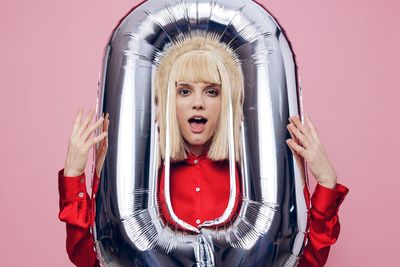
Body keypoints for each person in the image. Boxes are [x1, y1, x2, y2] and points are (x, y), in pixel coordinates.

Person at [59, 38, 348, 267]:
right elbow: (91, 259)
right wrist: (74, 177)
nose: (198, 103)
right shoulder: (141, 188)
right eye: (184, 91)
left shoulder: (254, 186)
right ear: (167, 101)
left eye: (212, 91)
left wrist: (326, 182)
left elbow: (303, 260)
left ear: (228, 102)